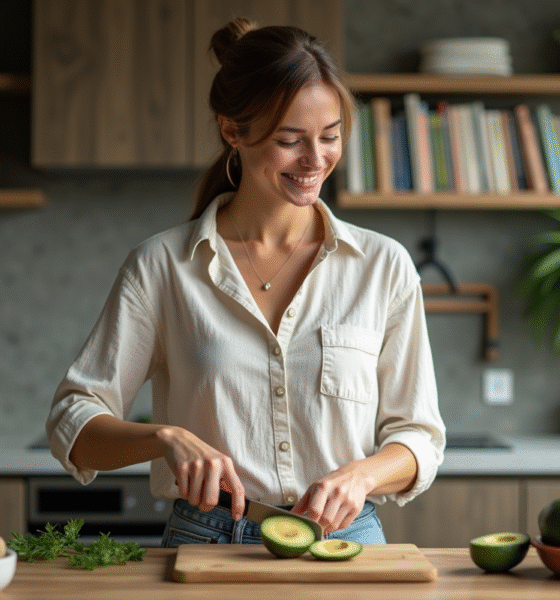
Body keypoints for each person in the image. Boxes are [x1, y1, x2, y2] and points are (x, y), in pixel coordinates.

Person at [46, 18, 445, 546]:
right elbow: (73, 424)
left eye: (330, 137)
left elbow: (420, 436)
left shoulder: (383, 266)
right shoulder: (162, 266)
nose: (315, 160)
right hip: (208, 538)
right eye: (289, 140)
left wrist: (362, 475)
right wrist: (166, 439)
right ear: (232, 130)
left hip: (347, 540)